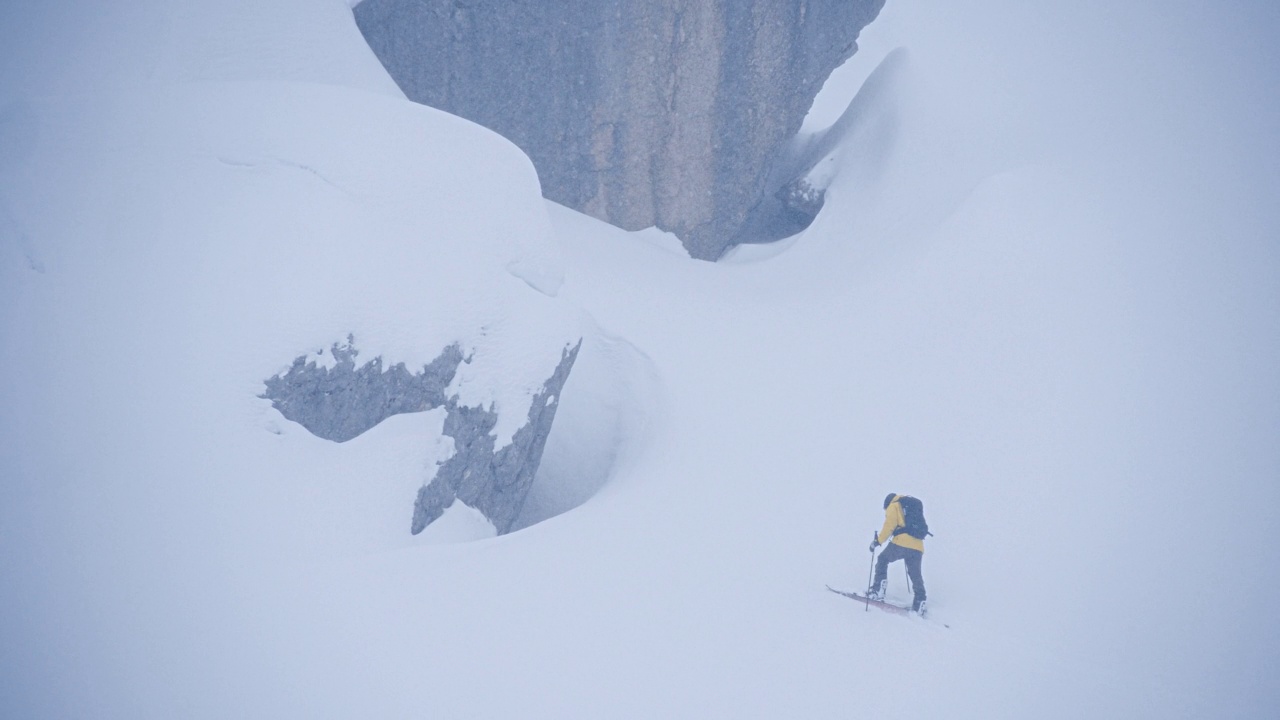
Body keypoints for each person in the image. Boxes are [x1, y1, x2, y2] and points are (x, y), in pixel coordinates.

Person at [868, 493, 927, 614]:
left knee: (883, 559)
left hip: (902, 542)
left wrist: (877, 541)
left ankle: (878, 590)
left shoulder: (894, 506)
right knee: (915, 573)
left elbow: (889, 526)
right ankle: (920, 600)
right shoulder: (909, 506)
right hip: (918, 546)